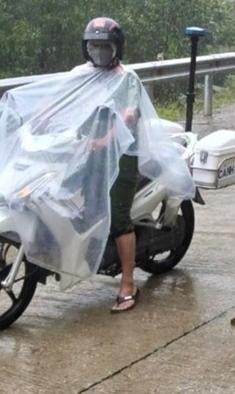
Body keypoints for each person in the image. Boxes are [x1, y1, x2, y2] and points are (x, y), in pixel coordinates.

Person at [74, 17, 144, 313]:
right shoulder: (81, 74)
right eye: (94, 45)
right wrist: (38, 119)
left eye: (105, 46)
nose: (99, 51)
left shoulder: (127, 78)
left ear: (117, 47)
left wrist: (108, 140)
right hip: (87, 149)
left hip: (121, 153)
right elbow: (60, 100)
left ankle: (128, 283)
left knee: (117, 216)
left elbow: (130, 115)